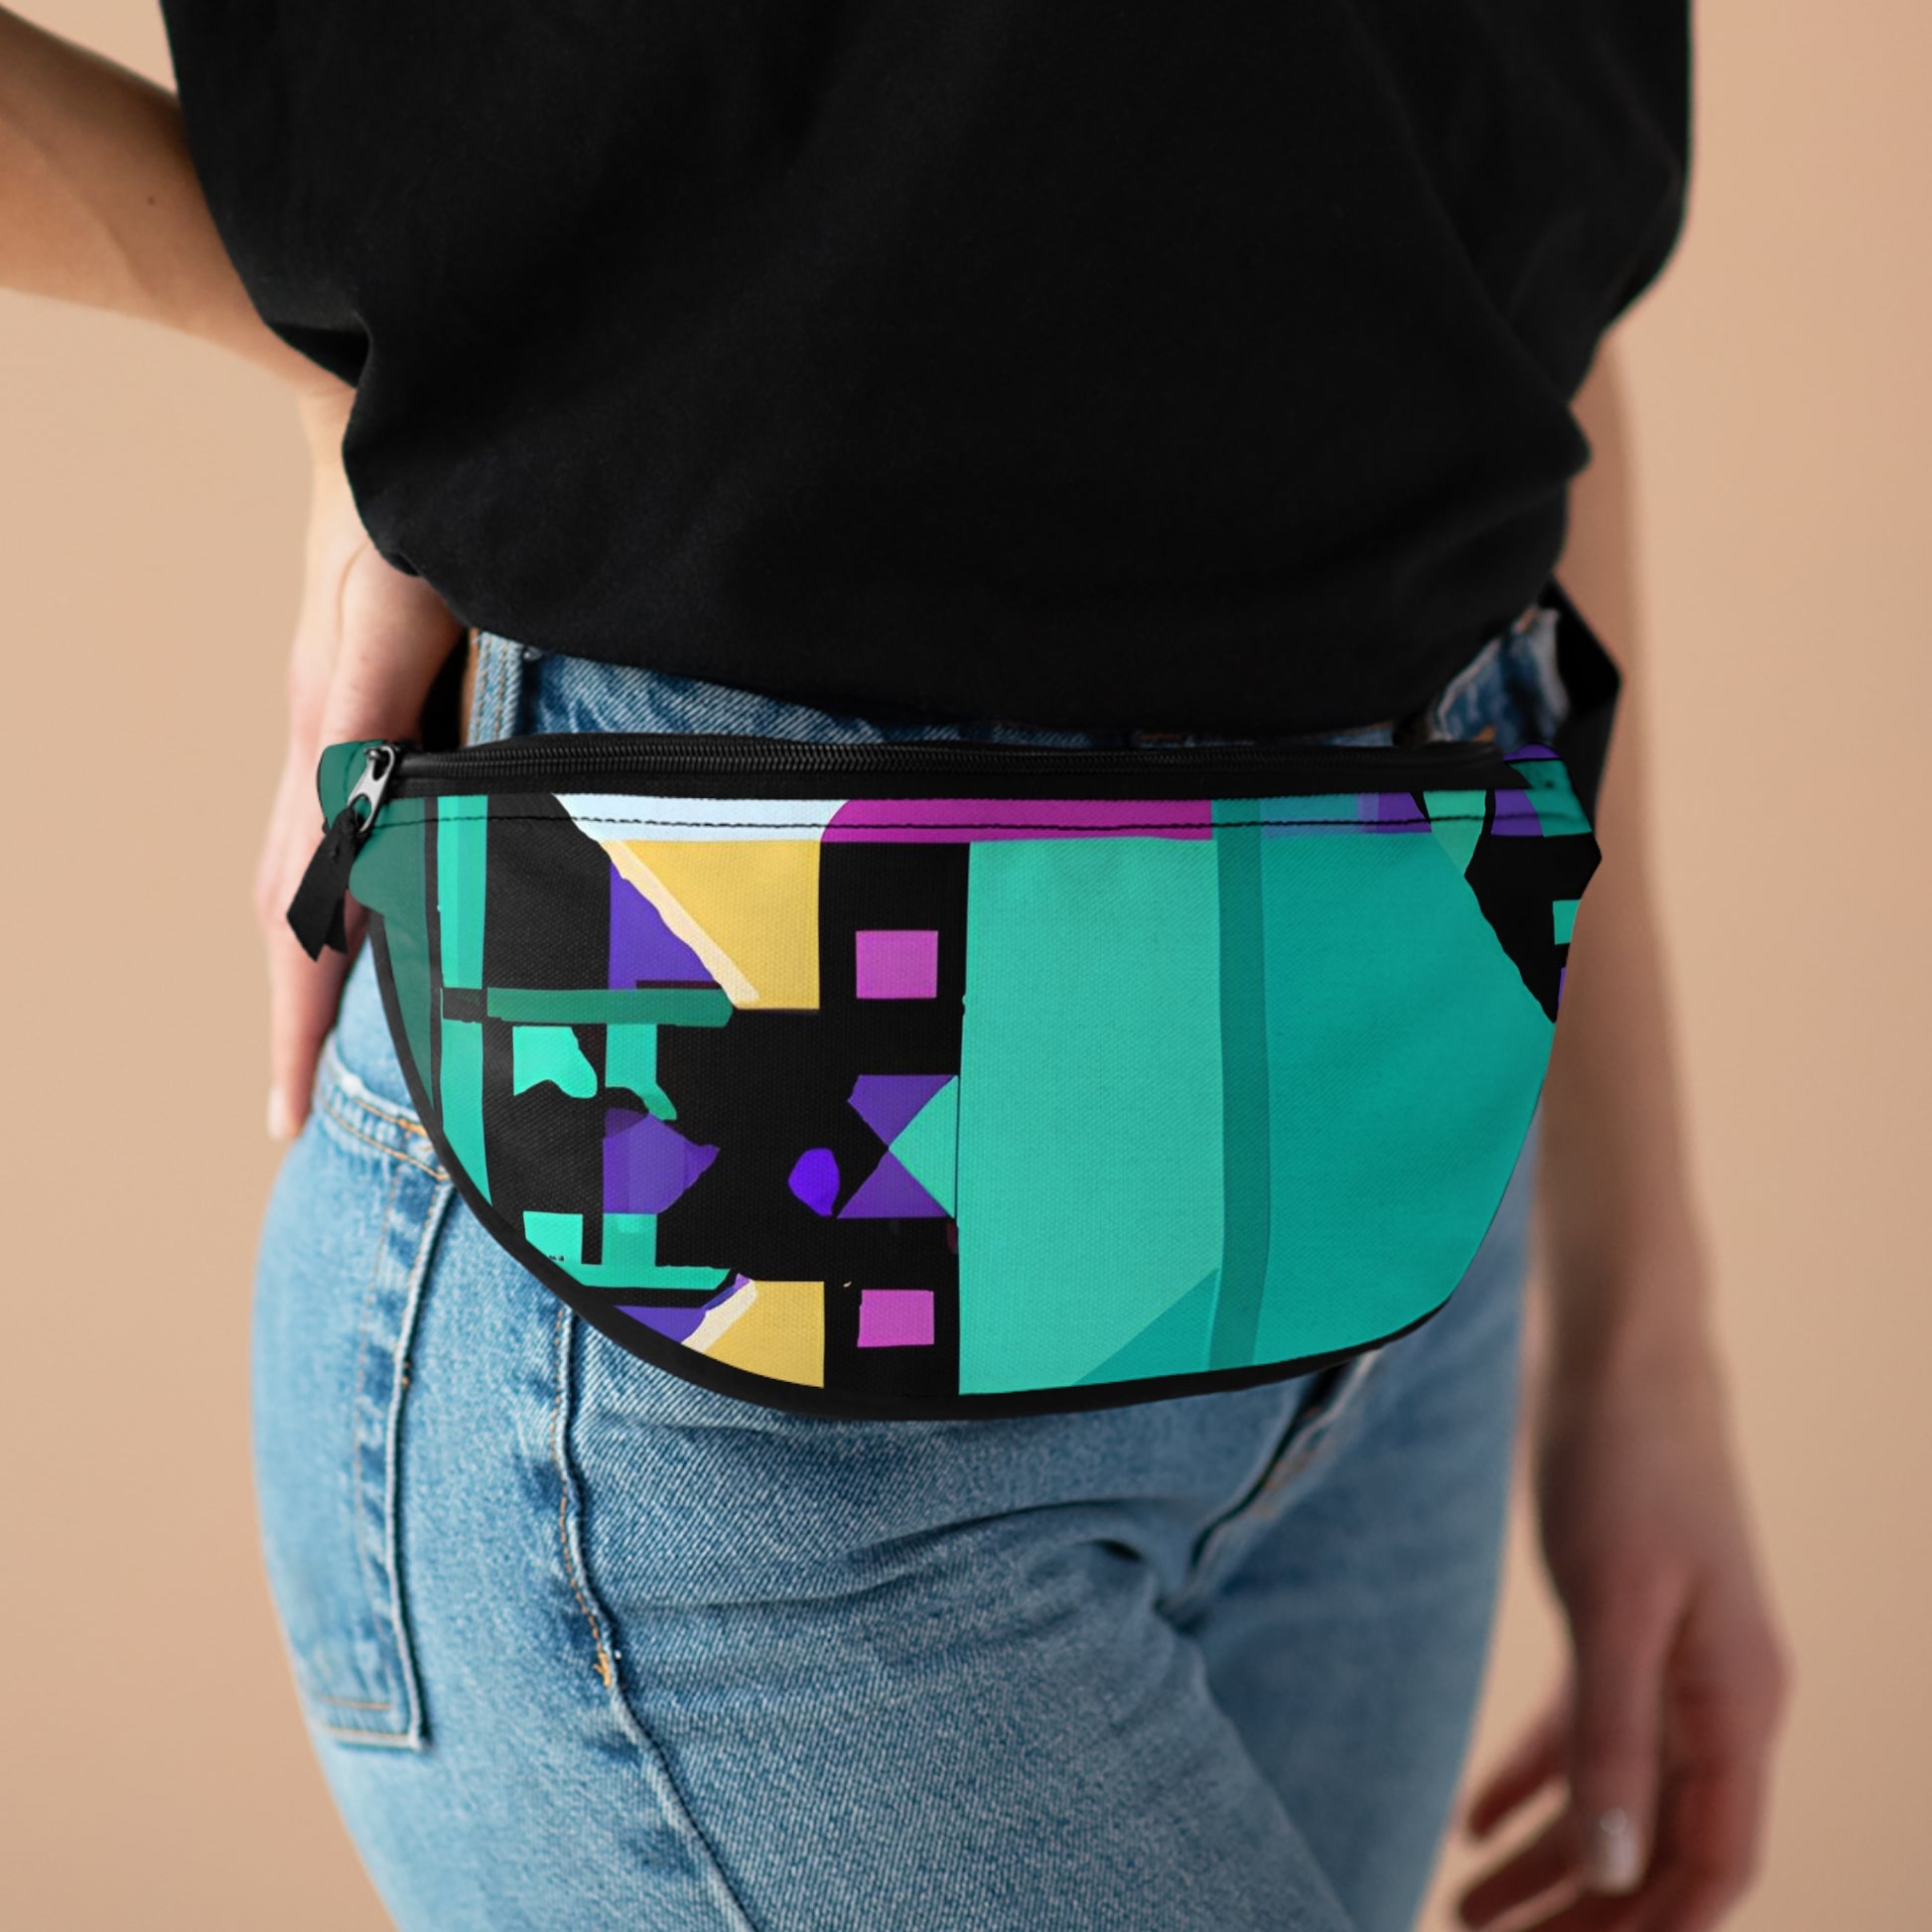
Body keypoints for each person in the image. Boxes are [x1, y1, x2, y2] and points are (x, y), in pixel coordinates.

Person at [1, 7, 1788, 1929]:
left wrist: (1641, 1328)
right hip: (729, 1316)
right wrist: (345, 374)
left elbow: (1499, 257)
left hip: (1394, 1159)